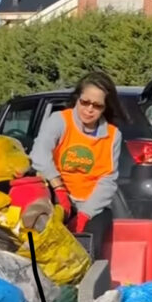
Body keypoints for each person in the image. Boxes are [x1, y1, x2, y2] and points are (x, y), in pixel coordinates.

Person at [29, 70, 123, 258]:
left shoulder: (113, 136)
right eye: (85, 102)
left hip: (91, 206)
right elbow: (39, 153)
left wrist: (85, 214)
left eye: (97, 106)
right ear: (77, 99)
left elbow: (108, 180)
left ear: (105, 108)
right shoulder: (59, 121)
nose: (89, 109)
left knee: (88, 248)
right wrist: (59, 189)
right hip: (56, 197)